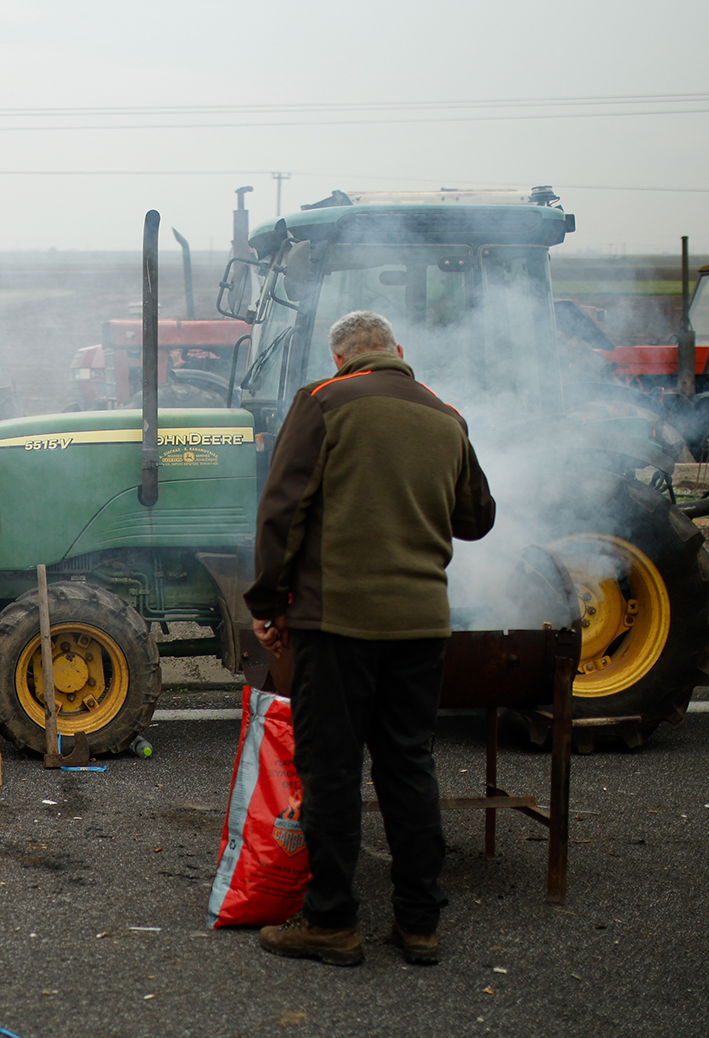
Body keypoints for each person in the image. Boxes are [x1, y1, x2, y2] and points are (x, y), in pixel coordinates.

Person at [245, 309, 495, 968]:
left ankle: (332, 923)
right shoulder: (446, 415)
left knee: (331, 771)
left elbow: (283, 509)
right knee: (408, 766)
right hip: (421, 623)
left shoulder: (324, 402)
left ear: (340, 361)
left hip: (338, 623)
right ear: (398, 352)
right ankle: (418, 924)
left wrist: (268, 601)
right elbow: (477, 518)